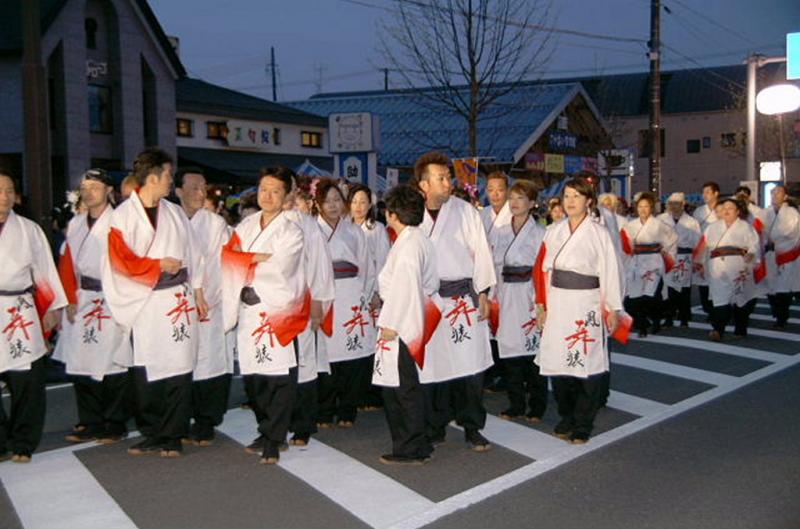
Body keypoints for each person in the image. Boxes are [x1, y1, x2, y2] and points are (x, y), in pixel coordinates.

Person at [102, 148, 206, 458]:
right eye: (168, 176)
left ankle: (173, 434)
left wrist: (198, 291)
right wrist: (158, 265)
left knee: (179, 367)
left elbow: (194, 253)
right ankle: (153, 431)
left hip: (176, 300)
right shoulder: (121, 216)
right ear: (152, 178)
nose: (170, 182)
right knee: (147, 371)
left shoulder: (173, 212)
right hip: (144, 300)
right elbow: (120, 262)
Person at [221, 168, 309, 464]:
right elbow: (228, 257)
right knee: (254, 378)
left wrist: (245, 259)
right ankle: (266, 428)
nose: (267, 196)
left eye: (275, 191)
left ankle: (274, 438)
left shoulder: (292, 230)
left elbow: (281, 267)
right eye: (263, 190)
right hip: (248, 311)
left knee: (278, 378)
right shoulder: (245, 226)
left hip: (276, 308)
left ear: (286, 197)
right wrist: (254, 258)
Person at [413, 152, 496, 452]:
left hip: (463, 297)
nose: (448, 183)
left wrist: (484, 292)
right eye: (441, 178)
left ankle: (472, 425)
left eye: (449, 177)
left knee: (470, 365)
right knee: (433, 367)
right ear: (423, 184)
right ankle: (435, 425)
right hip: (430, 301)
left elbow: (482, 254)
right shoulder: (412, 214)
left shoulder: (466, 212)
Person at [534, 178, 623, 444]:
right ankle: (567, 415)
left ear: (589, 201)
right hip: (558, 302)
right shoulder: (553, 231)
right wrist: (541, 305)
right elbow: (541, 271)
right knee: (560, 362)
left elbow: (610, 271)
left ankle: (584, 422)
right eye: (567, 196)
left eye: (576, 196)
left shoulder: (599, 233)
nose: (570, 201)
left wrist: (613, 308)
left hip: (587, 303)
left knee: (587, 362)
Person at [55, 169, 131, 445]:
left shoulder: (120, 221)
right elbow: (66, 263)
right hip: (84, 295)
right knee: (80, 360)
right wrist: (69, 299)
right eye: (84, 188)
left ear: (108, 190)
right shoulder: (75, 223)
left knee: (113, 361)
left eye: (95, 187)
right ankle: (90, 420)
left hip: (112, 297)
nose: (89, 193)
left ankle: (114, 422)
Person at [0, 170, 67, 463]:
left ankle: (23, 442)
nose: (4, 197)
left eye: (9, 190)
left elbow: (44, 270)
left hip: (19, 309)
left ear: (17, 196)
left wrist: (53, 308)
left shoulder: (28, 229)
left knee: (26, 381)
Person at [372, 185, 440, 465]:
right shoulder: (417, 239)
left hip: (403, 320)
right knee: (409, 385)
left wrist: (395, 325)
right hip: (413, 314)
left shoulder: (409, 245)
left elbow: (406, 289)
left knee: (403, 388)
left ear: (392, 214)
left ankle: (411, 446)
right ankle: (419, 441)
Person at [175, 168, 233, 446]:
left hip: (209, 300)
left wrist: (210, 297)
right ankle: (181, 417)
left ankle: (206, 420)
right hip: (175, 304)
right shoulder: (169, 220)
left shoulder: (215, 224)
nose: (201, 194)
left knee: (209, 361)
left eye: (203, 188)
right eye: (194, 188)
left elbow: (222, 266)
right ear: (178, 192)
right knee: (181, 361)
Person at [280, 170, 335, 448]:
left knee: (303, 365)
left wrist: (318, 304)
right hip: (270, 307)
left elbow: (321, 267)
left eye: (285, 189)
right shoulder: (257, 224)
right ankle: (274, 423)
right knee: (272, 367)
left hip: (301, 305)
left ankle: (302, 424)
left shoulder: (307, 225)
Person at [314, 179, 371, 428]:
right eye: (327, 201)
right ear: (318, 204)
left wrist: (367, 294)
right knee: (324, 354)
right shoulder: (311, 231)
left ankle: (348, 407)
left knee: (352, 352)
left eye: (337, 200)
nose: (333, 205)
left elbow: (366, 266)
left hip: (350, 294)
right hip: (323, 298)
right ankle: (325, 408)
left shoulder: (354, 231)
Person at [490, 180, 547, 423]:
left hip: (529, 295)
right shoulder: (500, 232)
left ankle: (537, 405)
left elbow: (544, 270)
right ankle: (515, 403)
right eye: (511, 198)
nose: (514, 203)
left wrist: (541, 302)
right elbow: (492, 265)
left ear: (532, 203)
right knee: (510, 351)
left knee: (533, 353)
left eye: (520, 198)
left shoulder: (541, 233)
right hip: (506, 294)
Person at [348, 184, 391, 411]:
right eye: (354, 201)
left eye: (363, 202)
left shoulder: (377, 229)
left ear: (371, 204)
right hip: (350, 294)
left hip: (371, 294)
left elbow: (383, 263)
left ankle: (372, 394)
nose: (358, 207)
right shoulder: (344, 228)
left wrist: (378, 293)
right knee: (352, 343)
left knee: (371, 345)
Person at [694, 198, 761, 341]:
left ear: (738, 212)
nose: (726, 210)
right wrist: (699, 263)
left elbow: (754, 245)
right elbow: (703, 246)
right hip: (717, 267)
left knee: (740, 298)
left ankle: (740, 328)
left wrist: (752, 254)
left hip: (739, 266)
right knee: (720, 298)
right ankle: (718, 329)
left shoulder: (746, 227)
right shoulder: (712, 227)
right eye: (724, 207)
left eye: (730, 208)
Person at [621, 193, 677, 337]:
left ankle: (656, 320)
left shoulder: (658, 224)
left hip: (653, 261)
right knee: (635, 296)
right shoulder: (630, 225)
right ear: (636, 208)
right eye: (640, 206)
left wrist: (665, 253)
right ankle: (642, 325)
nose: (643, 209)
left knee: (651, 295)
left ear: (651, 208)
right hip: (637, 261)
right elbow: (625, 243)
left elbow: (672, 238)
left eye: (646, 206)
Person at [479, 172, 511, 393]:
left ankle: (507, 372)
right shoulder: (482, 216)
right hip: (485, 276)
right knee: (486, 325)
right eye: (490, 190)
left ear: (507, 190)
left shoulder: (514, 214)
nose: (495, 194)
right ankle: (491, 370)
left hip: (506, 277)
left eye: (499, 189)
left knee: (505, 325)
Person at [656, 192, 701, 327]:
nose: (674, 206)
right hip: (667, 256)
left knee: (684, 288)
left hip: (684, 257)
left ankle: (684, 316)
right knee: (668, 287)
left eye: (677, 204)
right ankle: (668, 316)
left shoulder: (691, 222)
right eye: (671, 204)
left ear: (683, 205)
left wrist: (697, 260)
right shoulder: (661, 219)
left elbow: (697, 241)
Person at [763, 185, 800, 329]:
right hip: (771, 254)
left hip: (788, 254)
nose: (774, 195)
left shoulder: (791, 213)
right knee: (771, 287)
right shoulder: (767, 212)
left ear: (785, 197)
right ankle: (778, 314)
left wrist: (771, 237)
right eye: (772, 192)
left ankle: (781, 318)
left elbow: (788, 232)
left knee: (785, 288)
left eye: (777, 192)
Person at [693, 182, 720, 315]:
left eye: (708, 192)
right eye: (703, 192)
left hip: (718, 251)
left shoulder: (722, 209)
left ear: (716, 193)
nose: (705, 195)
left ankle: (718, 310)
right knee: (703, 281)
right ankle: (708, 309)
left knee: (718, 281)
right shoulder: (699, 211)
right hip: (703, 250)